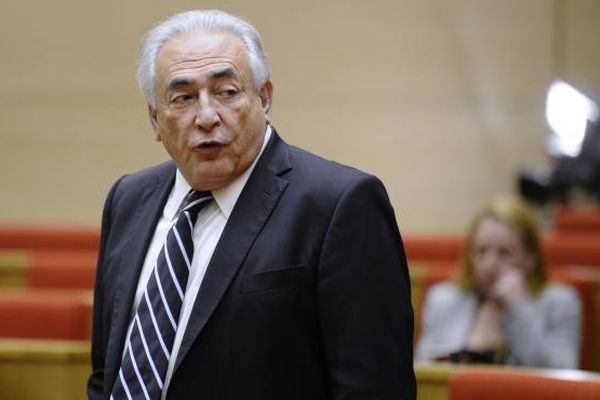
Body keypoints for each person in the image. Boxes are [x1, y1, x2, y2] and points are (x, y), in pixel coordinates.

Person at [87, 9, 415, 400]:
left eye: (226, 92)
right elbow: (107, 372)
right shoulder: (128, 199)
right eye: (183, 98)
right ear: (155, 120)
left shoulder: (339, 205)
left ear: (264, 98)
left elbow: (374, 389)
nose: (207, 116)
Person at [415, 197, 581, 368]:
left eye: (504, 253)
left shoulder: (560, 303)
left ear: (531, 258)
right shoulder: (443, 299)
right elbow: (424, 372)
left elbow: (561, 375)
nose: (489, 265)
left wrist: (520, 307)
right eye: (481, 251)